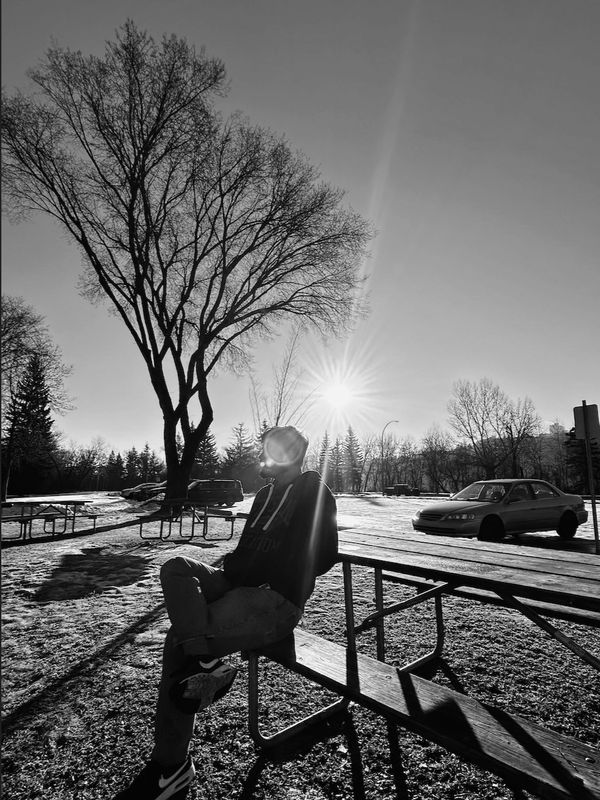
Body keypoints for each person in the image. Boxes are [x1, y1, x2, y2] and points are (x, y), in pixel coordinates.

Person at [115, 425, 338, 800]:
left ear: (293, 454)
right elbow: (249, 545)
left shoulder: (315, 493)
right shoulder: (265, 494)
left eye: (275, 450)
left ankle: (170, 768)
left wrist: (273, 575)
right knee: (176, 568)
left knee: (178, 643)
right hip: (238, 584)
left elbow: (325, 556)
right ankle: (205, 662)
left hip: (276, 599)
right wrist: (228, 573)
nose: (266, 456)